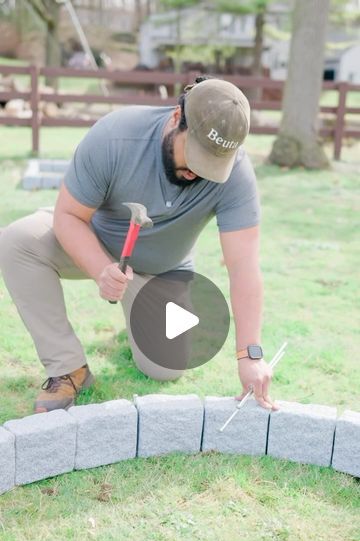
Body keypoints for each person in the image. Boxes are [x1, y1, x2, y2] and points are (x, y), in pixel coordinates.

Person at [0, 76, 277, 414]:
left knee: (165, 368)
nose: (196, 172)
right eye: (194, 155)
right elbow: (68, 216)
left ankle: (143, 323)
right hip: (96, 242)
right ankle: (68, 367)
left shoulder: (237, 173)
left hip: (164, 269)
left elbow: (244, 266)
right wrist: (100, 268)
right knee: (17, 241)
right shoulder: (116, 136)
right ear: (177, 118)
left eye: (211, 165)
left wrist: (250, 355)